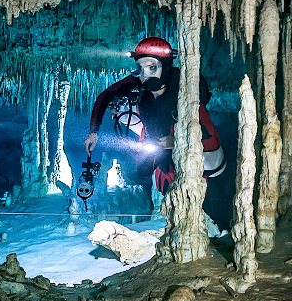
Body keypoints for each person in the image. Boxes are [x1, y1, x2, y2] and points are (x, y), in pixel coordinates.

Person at [84, 36, 225, 200]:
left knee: (208, 163)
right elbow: (105, 96)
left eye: (151, 68)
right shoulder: (139, 81)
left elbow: (213, 142)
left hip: (190, 140)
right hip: (155, 132)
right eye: (141, 68)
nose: (145, 75)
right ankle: (158, 152)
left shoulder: (186, 93)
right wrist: (93, 132)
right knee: (143, 170)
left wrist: (177, 142)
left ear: (164, 67)